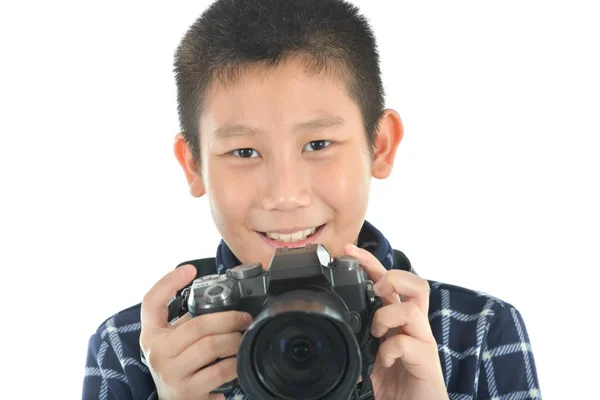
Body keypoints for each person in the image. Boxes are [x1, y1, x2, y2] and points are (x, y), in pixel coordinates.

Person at [82, 0, 542, 399]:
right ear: (194, 165)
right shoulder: (133, 349)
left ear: (379, 146)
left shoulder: (476, 333)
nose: (285, 195)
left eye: (318, 145)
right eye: (244, 152)